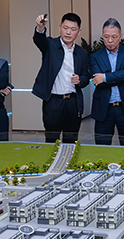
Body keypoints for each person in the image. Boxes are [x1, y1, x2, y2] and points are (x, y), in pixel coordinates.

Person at [32, 12, 89, 143]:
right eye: (65, 28)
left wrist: (80, 80)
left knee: (71, 140)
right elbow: (39, 40)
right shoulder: (50, 45)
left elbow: (86, 76)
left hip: (73, 102)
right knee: (52, 140)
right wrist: (40, 28)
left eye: (73, 29)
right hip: (53, 101)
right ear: (60, 27)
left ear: (78, 32)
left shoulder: (81, 53)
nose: (68, 32)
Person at [91, 18, 124, 146]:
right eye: (106, 37)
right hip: (104, 108)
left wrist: (105, 77)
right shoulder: (95, 56)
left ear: (120, 36)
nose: (110, 40)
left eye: (114, 37)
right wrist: (122, 76)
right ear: (102, 36)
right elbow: (98, 80)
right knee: (102, 147)